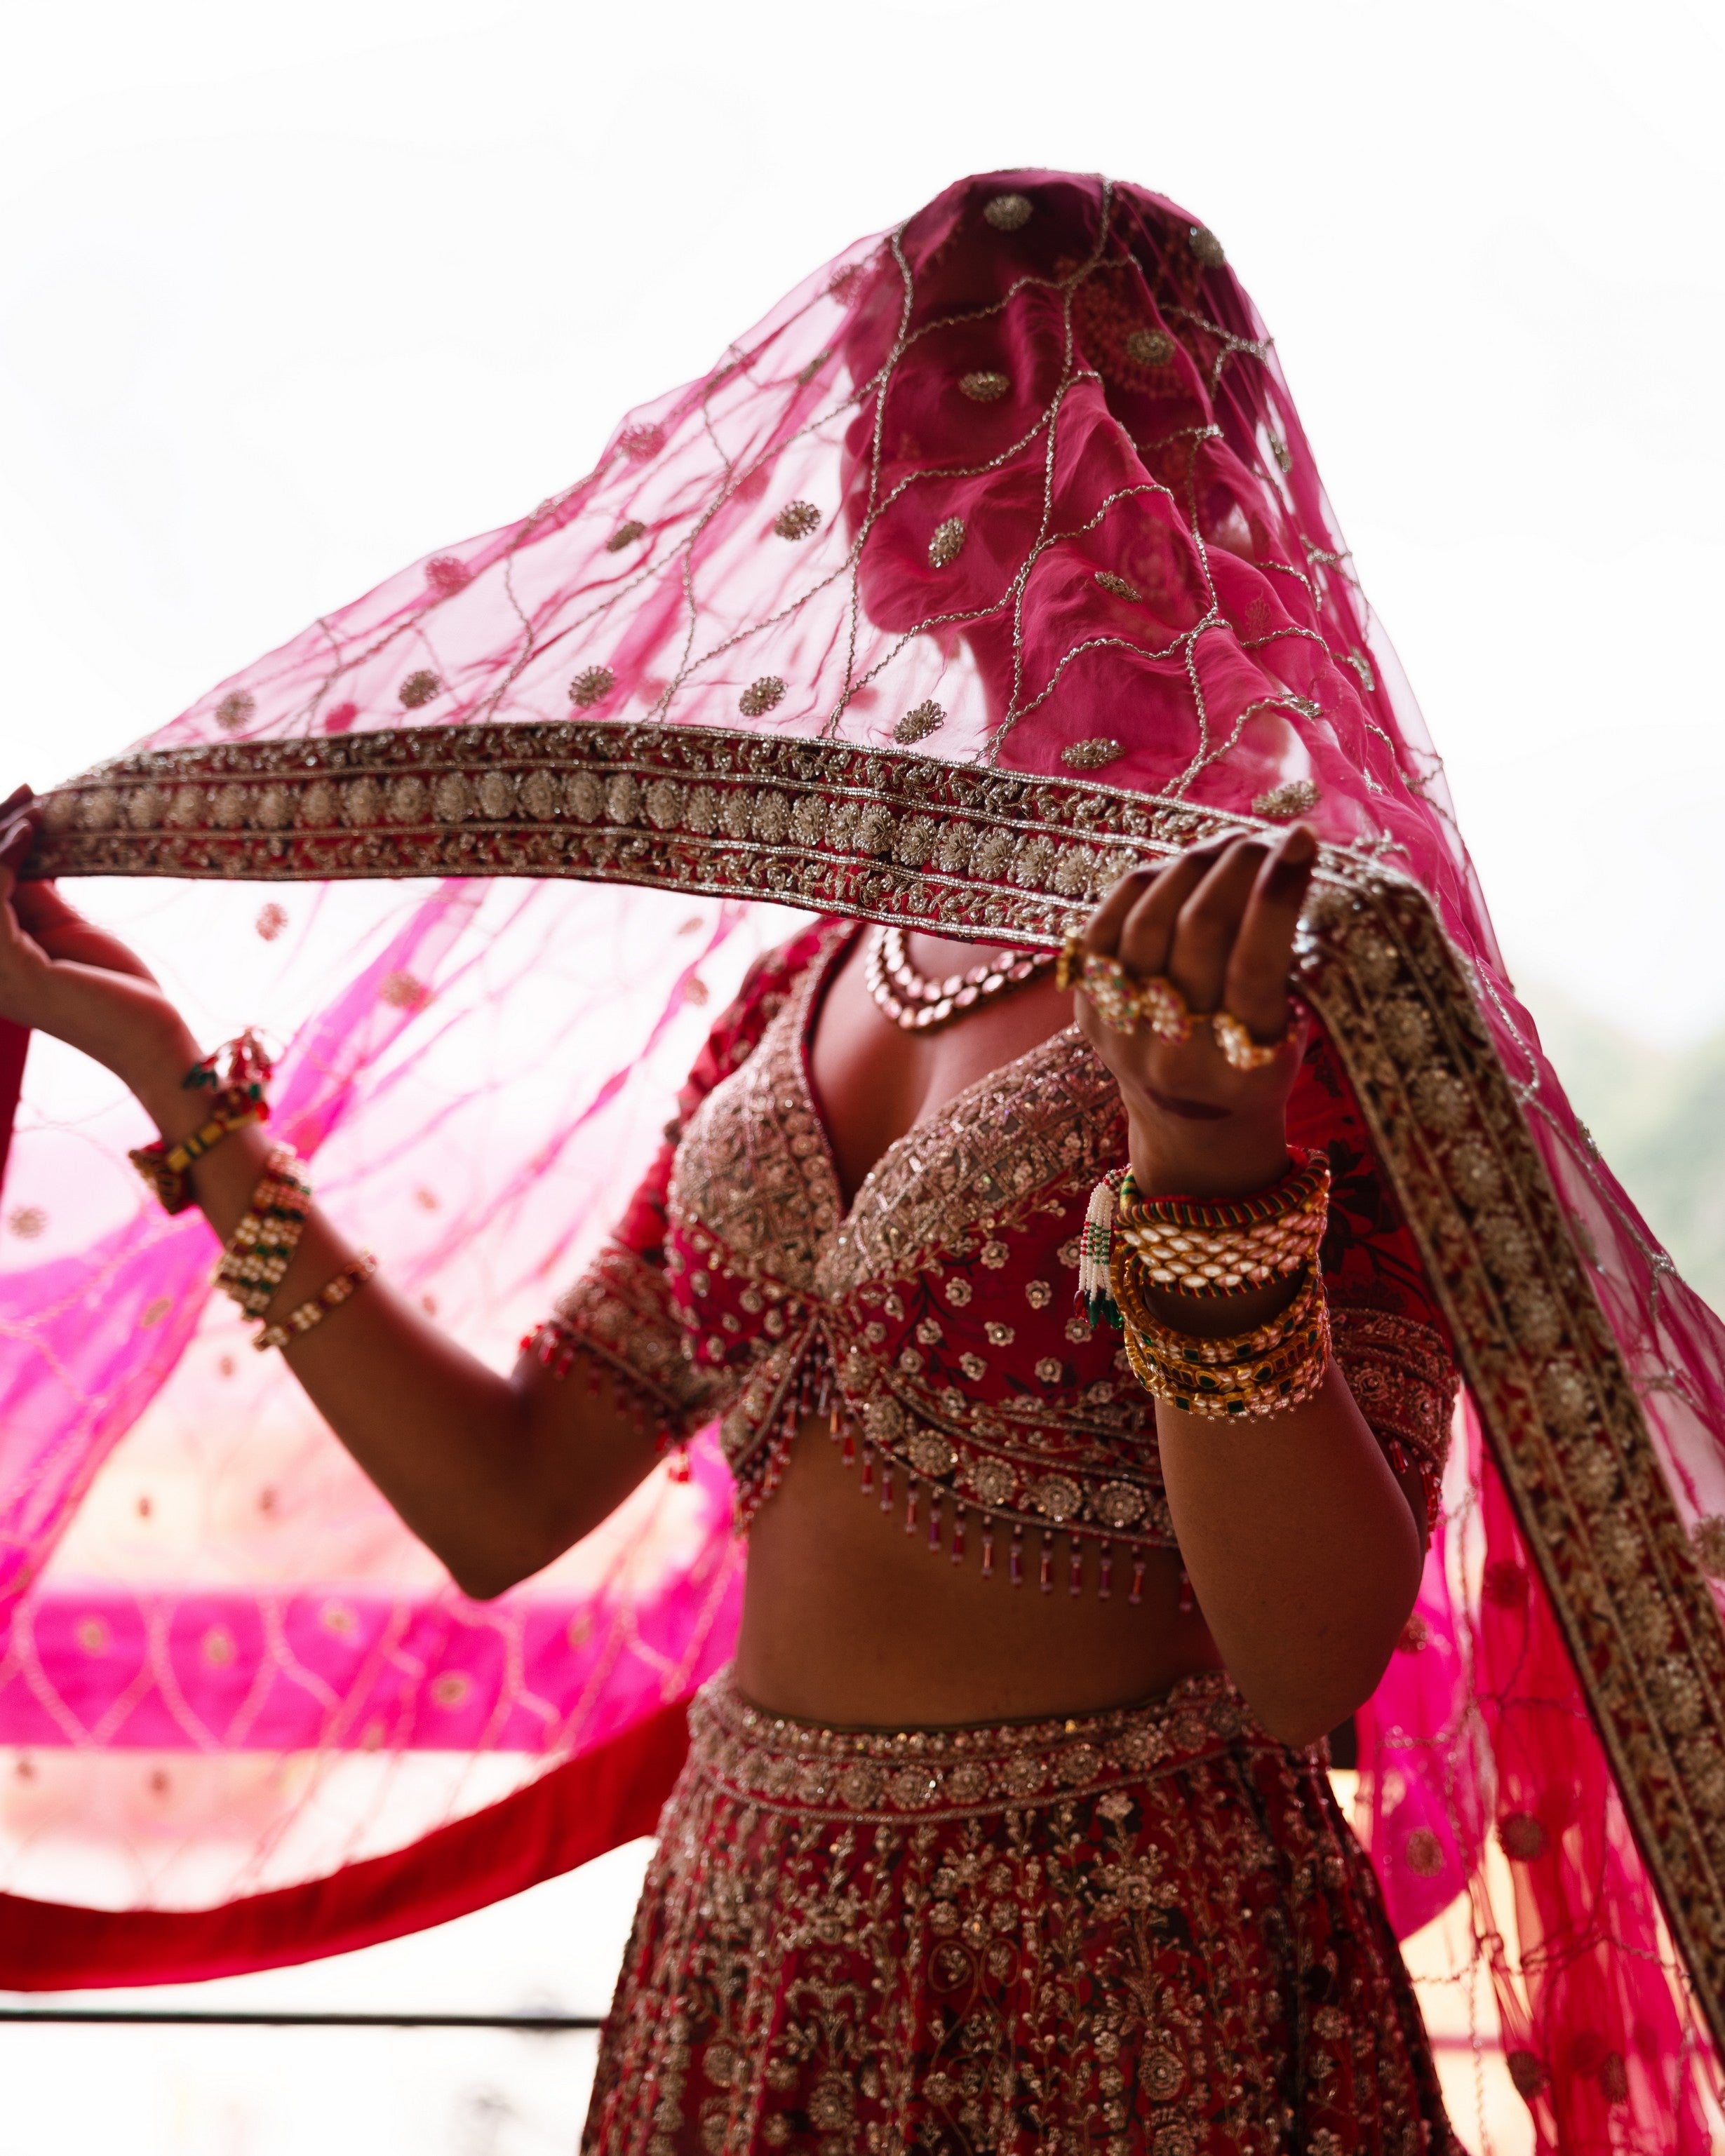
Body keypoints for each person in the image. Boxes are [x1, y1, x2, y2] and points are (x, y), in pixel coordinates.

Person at [2, 170, 1717, 2150]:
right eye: (898, 401)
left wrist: (1205, 1167)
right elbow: (505, 1496)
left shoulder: (1289, 970)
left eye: (1014, 398)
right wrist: (170, 1083)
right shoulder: (810, 979)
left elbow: (1307, 1658)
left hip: (1126, 1977)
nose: (921, 472)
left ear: (1186, 473)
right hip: (748, 1954)